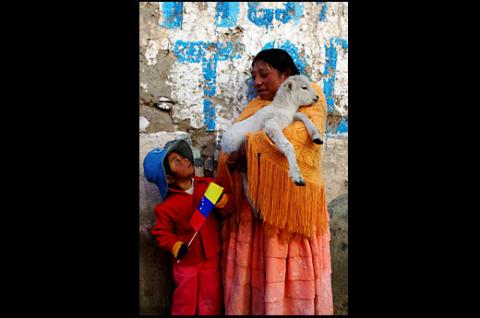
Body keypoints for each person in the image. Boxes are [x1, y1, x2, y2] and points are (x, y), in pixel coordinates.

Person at [215, 48, 334, 315]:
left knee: (288, 272)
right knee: (256, 278)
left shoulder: (309, 96)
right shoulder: (254, 108)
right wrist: (235, 157)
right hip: (253, 210)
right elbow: (231, 152)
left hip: (293, 209)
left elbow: (300, 136)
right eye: (253, 76)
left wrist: (250, 148)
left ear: (287, 76)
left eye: (264, 74)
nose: (256, 82)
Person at [143, 139, 235, 315]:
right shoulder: (166, 207)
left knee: (211, 298)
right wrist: (175, 245)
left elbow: (230, 208)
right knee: (185, 301)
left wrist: (224, 201)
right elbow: (161, 234)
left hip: (211, 257)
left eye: (183, 157)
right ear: (168, 178)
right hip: (186, 263)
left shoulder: (208, 186)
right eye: (176, 161)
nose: (185, 159)